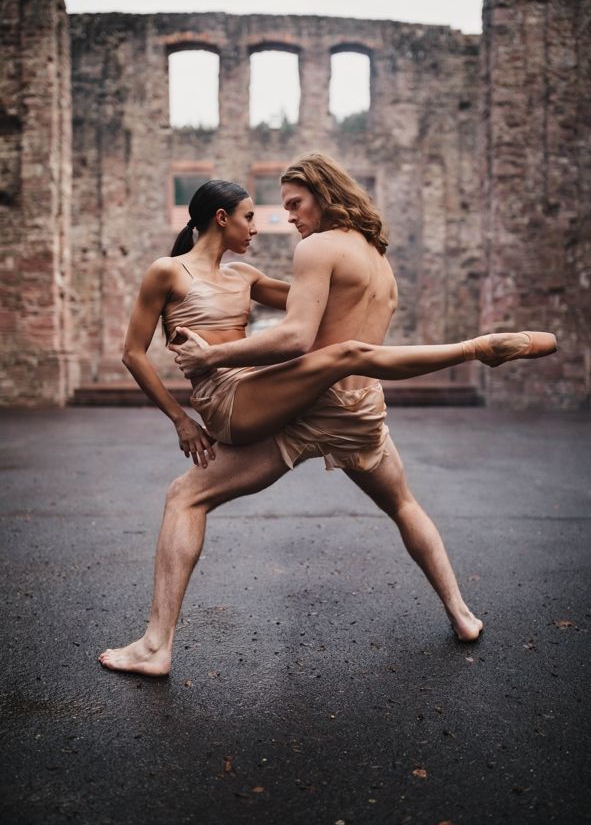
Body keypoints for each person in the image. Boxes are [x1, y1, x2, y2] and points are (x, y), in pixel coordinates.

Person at [99, 155, 556, 676]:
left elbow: (305, 314)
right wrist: (182, 420)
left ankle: (157, 645)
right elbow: (134, 353)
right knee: (393, 485)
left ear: (320, 193)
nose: (275, 219)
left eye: (290, 205)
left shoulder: (251, 272)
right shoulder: (167, 271)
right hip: (275, 403)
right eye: (255, 214)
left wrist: (220, 350)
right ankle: (462, 612)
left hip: (299, 406)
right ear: (221, 218)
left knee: (191, 493)